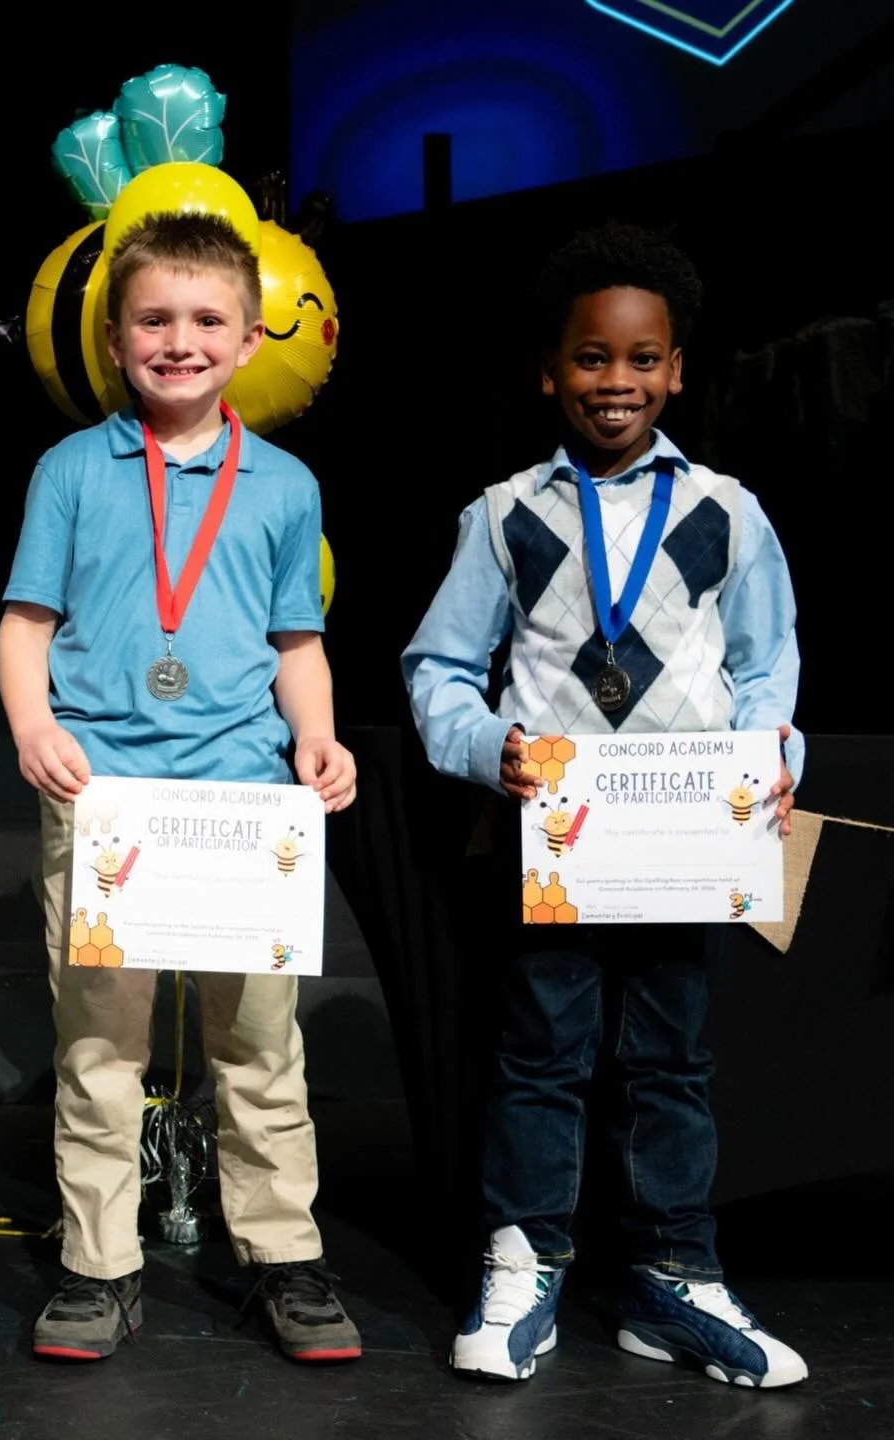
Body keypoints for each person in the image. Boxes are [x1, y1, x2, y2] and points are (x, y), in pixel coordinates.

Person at [402, 220, 808, 1388]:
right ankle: (524, 1260)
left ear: (677, 369)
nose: (616, 383)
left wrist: (777, 752)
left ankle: (673, 1279)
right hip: (562, 843)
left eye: (642, 361)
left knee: (672, 1064)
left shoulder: (727, 511)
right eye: (592, 359)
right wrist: (492, 747)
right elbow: (435, 670)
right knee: (541, 1055)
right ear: (550, 369)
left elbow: (767, 664)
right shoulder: (506, 514)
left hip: (689, 842)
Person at [0, 211, 361, 1364]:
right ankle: (100, 1267)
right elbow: (24, 624)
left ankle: (282, 1257)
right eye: (155, 319)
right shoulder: (70, 469)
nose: (180, 340)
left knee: (259, 1047)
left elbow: (297, 640)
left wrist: (321, 741)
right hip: (107, 804)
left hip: (246, 810)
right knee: (102, 1051)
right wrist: (30, 723)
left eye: (208, 320)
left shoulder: (286, 484)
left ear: (250, 339)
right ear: (114, 338)